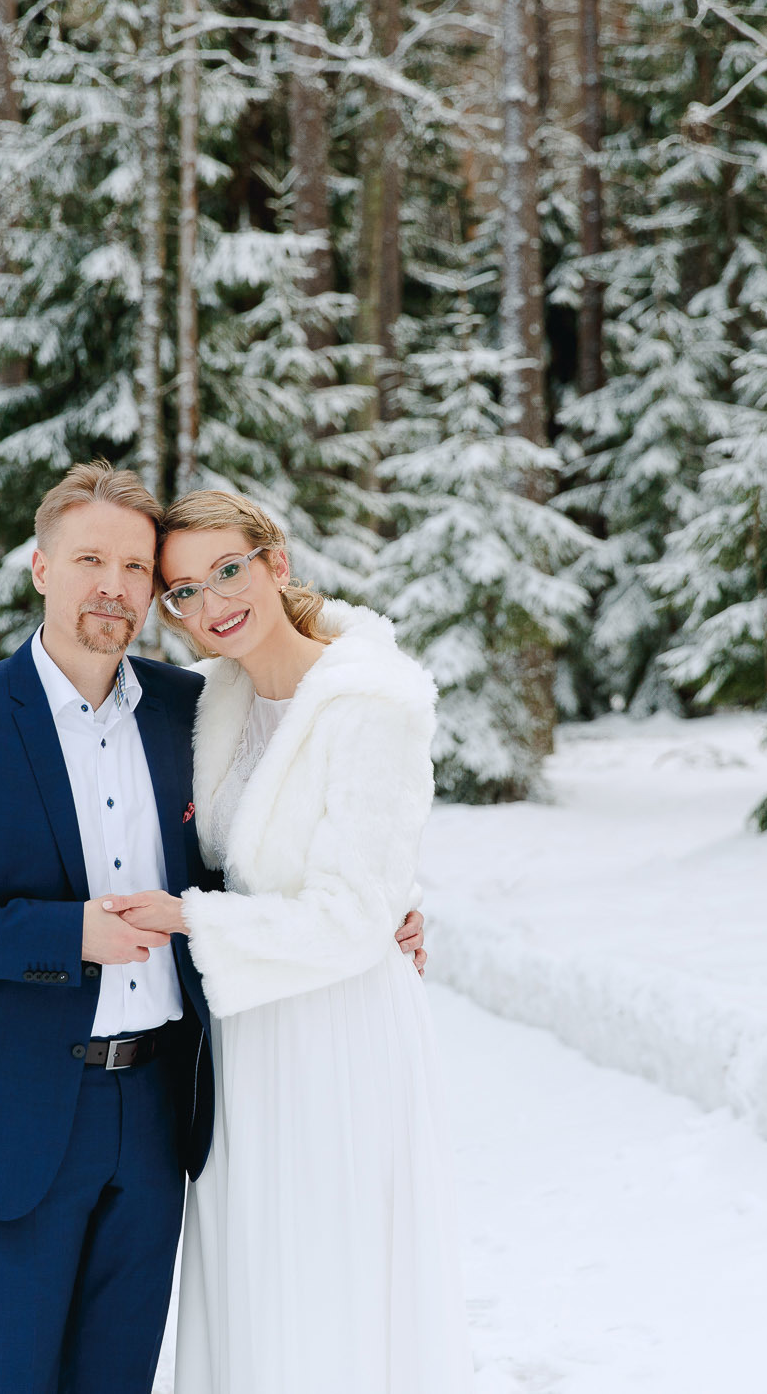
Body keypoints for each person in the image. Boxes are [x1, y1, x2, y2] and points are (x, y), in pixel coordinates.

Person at [0, 462, 425, 1394]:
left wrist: (381, 904)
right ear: (41, 568)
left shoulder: (193, 708)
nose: (113, 584)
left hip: (157, 1114)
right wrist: (63, 933)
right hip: (9, 1117)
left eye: (136, 567)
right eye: (89, 559)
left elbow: (267, 835)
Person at [106, 490, 473, 1394]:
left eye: (227, 570)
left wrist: (193, 917)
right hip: (247, 1038)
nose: (211, 603)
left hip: (336, 1035)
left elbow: (350, 913)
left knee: (330, 1275)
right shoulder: (217, 699)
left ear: (276, 561)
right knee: (256, 1275)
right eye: (183, 590)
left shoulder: (370, 702)